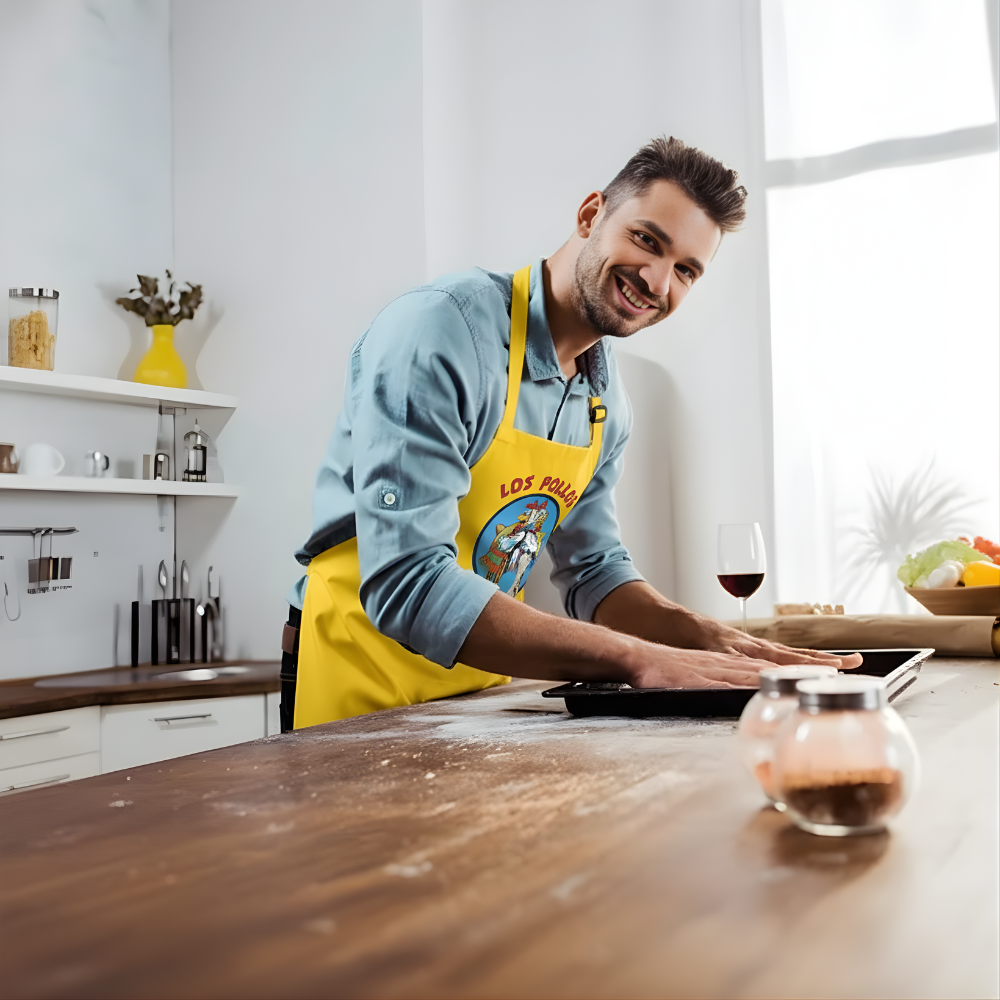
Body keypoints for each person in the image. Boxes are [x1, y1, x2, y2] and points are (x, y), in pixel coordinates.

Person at [279, 136, 860, 731]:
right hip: (355, 680)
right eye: (646, 240)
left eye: (685, 269)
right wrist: (637, 658)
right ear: (590, 216)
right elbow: (406, 581)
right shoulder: (442, 332)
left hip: (472, 702)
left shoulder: (606, 403)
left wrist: (706, 637)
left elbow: (593, 572)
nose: (658, 282)